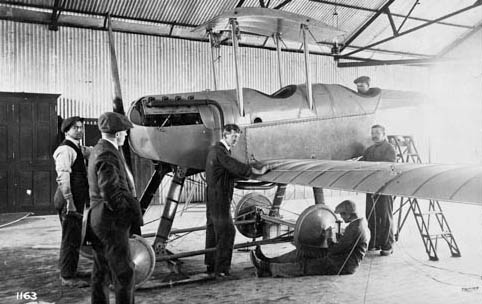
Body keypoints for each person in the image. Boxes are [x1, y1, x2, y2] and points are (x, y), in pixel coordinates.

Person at [86, 112, 143, 304]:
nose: (126, 135)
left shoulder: (99, 149)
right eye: (125, 132)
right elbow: (110, 191)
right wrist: (125, 217)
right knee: (124, 272)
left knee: (101, 270)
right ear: (118, 134)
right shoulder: (107, 153)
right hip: (111, 222)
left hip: (99, 219)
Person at [205, 124, 271, 278]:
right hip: (219, 196)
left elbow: (228, 170)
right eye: (234, 137)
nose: (235, 140)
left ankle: (211, 264)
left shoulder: (215, 150)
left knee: (214, 229)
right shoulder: (220, 152)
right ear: (225, 134)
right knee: (227, 231)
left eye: (237, 137)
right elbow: (235, 166)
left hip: (213, 194)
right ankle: (221, 270)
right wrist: (257, 171)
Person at [250, 200, 370, 277]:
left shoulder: (355, 228)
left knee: (306, 265)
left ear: (349, 214)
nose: (342, 218)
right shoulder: (359, 223)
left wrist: (329, 238)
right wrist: (337, 237)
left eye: (342, 215)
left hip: (342, 264)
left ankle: (267, 268)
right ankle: (269, 260)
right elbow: (345, 245)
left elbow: (334, 250)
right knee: (302, 251)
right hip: (340, 257)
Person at [53, 116, 91, 287]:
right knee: (70, 238)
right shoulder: (65, 150)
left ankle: (71, 270)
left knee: (74, 236)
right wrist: (70, 202)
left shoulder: (76, 147)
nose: (80, 130)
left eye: (81, 127)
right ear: (66, 130)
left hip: (76, 199)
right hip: (69, 200)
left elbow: (89, 152)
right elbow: (63, 179)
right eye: (76, 128)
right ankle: (67, 277)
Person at [360, 124, 397, 256]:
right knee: (371, 215)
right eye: (372, 133)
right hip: (370, 188)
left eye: (377, 132)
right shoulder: (368, 150)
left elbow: (391, 167)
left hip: (384, 188)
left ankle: (387, 245)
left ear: (383, 134)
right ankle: (373, 243)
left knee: (385, 216)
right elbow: (362, 164)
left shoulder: (389, 149)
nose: (374, 135)